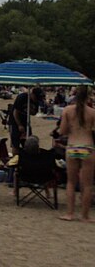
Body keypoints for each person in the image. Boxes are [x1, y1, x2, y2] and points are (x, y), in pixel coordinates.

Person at [58, 85, 95, 222]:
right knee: (87, 184)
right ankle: (85, 215)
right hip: (87, 146)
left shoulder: (67, 110)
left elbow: (62, 131)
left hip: (72, 146)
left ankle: (70, 213)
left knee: (71, 182)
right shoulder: (92, 112)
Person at [10, 87, 43, 154]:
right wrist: (19, 125)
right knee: (15, 143)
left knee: (28, 140)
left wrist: (31, 110)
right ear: (32, 94)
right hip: (15, 121)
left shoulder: (36, 101)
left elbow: (34, 113)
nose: (36, 100)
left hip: (26, 121)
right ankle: (15, 158)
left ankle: (28, 157)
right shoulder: (22, 97)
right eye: (36, 97)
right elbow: (15, 112)